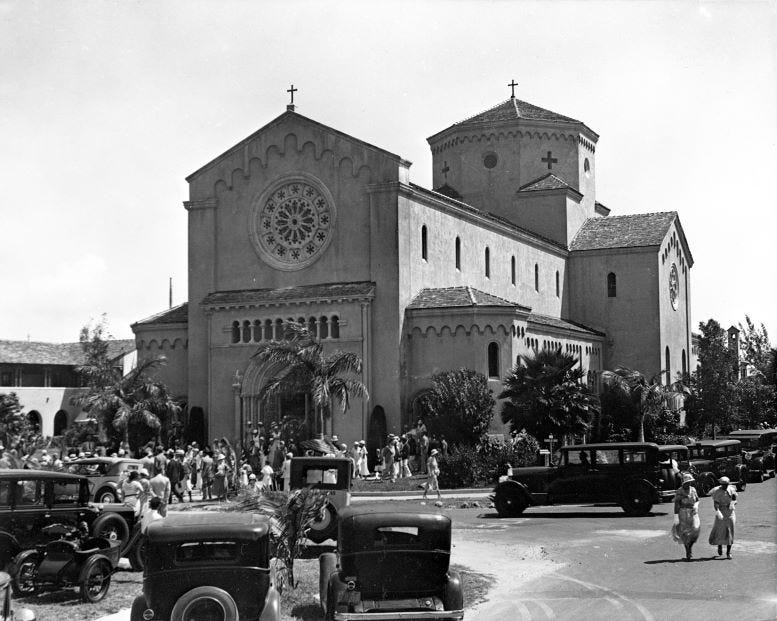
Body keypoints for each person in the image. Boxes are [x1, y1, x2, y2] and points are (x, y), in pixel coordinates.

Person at [672, 472, 700, 561]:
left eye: (690, 482)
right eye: (688, 482)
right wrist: (676, 516)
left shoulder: (693, 489)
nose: (689, 484)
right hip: (683, 513)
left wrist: (696, 505)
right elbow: (676, 504)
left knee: (695, 530)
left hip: (693, 512)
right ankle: (688, 551)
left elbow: (697, 500)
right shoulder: (679, 491)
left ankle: (690, 546)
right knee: (684, 533)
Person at [709, 476, 737, 559]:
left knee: (730, 531)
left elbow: (735, 499)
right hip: (721, 512)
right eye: (724, 485)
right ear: (721, 484)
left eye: (727, 484)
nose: (726, 486)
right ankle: (719, 545)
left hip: (730, 512)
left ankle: (728, 552)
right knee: (720, 530)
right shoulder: (717, 492)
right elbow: (716, 504)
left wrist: (732, 504)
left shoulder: (731, 489)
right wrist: (718, 512)